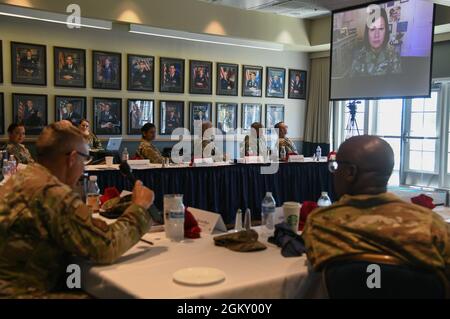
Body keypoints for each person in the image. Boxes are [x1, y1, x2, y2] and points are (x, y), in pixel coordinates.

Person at [0, 122, 155, 298]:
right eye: (85, 159)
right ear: (72, 158)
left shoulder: (23, 178)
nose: (83, 168)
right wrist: (140, 208)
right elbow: (106, 246)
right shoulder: (52, 193)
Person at [300, 135, 450, 297]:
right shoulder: (431, 224)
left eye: (336, 166)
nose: (334, 173)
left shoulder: (321, 223)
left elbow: (315, 265)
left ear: (350, 172)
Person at [350, 8, 401, 77]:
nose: (376, 35)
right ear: (367, 32)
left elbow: (398, 84)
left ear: (386, 31)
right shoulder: (359, 57)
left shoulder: (393, 56)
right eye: (372, 29)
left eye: (381, 28)